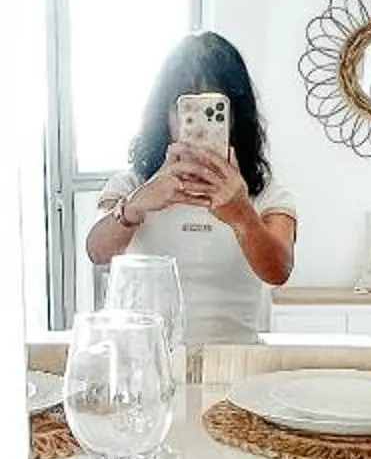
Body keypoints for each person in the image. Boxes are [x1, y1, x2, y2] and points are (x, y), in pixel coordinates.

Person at [86, 32, 297, 345]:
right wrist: (134, 206)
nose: (199, 127)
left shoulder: (264, 193)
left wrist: (242, 215)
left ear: (236, 117)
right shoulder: (132, 184)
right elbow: (97, 251)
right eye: (186, 110)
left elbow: (278, 271)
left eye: (213, 111)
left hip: (232, 364)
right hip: (145, 362)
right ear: (165, 115)